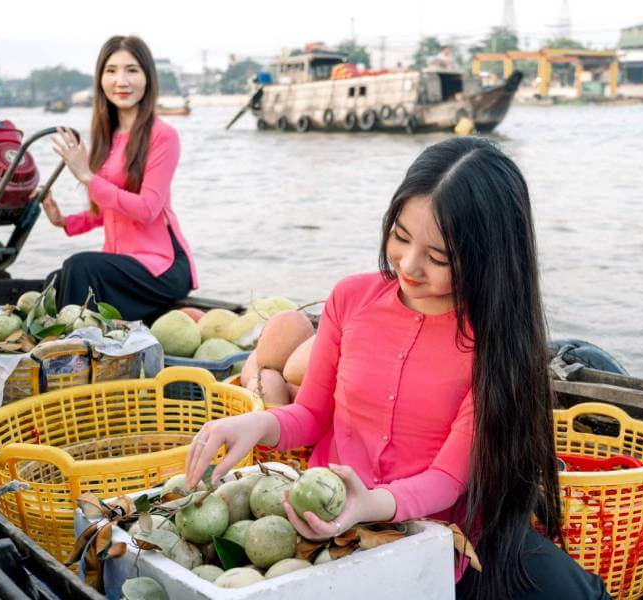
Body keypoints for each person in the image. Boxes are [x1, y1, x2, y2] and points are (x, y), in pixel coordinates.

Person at [184, 138, 609, 599]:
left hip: (443, 535)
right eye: (400, 237)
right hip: (330, 526)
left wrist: (372, 504)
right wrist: (258, 423)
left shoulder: (497, 343)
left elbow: (448, 480)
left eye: (439, 257)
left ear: (491, 257)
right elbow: (311, 415)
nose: (409, 264)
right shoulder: (351, 299)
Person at [39, 35, 197, 322]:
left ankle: (70, 355)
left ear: (148, 78)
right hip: (121, 265)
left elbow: (147, 209)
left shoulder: (163, 136)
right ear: (100, 79)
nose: (121, 81)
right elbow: (109, 210)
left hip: (161, 266)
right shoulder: (106, 139)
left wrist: (87, 176)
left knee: (80, 266)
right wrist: (63, 221)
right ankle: (66, 349)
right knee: (55, 280)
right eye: (111, 71)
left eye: (132, 70)